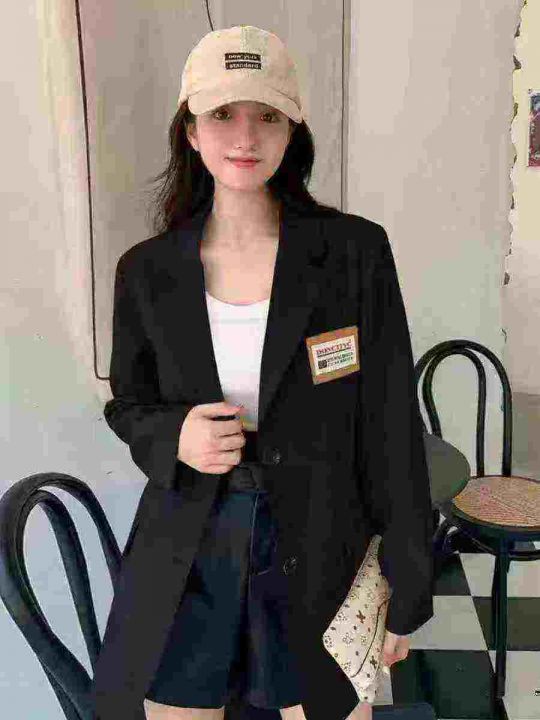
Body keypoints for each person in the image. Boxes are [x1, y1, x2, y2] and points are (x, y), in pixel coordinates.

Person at [95, 23, 433, 720]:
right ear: (191, 131)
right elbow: (128, 403)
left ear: (292, 132)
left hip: (324, 548)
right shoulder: (147, 271)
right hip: (188, 551)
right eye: (223, 113)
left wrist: (408, 583)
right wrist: (174, 435)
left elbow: (392, 425)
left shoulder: (353, 254)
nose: (245, 137)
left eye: (268, 116)